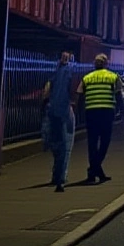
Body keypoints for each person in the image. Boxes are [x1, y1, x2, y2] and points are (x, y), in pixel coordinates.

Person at [78, 54, 124, 184]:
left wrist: (80, 113)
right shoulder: (113, 77)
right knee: (105, 143)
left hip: (91, 112)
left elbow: (80, 96)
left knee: (92, 144)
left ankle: (94, 173)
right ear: (106, 64)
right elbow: (118, 95)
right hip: (106, 113)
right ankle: (94, 170)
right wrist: (122, 111)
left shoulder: (87, 78)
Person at [41, 51, 76, 192]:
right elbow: (73, 89)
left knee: (55, 144)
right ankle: (61, 177)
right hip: (65, 111)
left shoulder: (54, 71)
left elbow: (46, 90)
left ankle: (56, 174)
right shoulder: (71, 70)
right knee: (66, 145)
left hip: (52, 110)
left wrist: (46, 104)